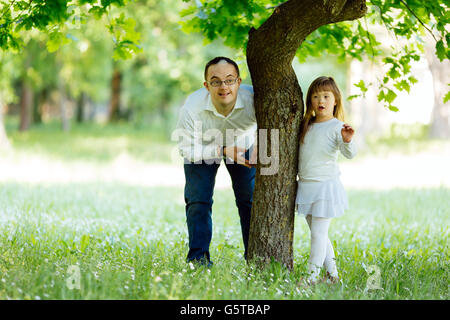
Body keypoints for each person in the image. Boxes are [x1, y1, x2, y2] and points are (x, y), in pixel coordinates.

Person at [175, 57, 257, 267]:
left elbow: (271, 125)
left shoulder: (253, 99)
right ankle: (198, 260)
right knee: (198, 201)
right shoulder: (192, 107)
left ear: (239, 82)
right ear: (206, 85)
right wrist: (221, 150)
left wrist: (257, 148)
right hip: (202, 149)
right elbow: (186, 148)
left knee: (249, 201)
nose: (223, 87)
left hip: (241, 145)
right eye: (216, 81)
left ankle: (255, 258)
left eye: (229, 80)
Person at [295, 76, 357, 284]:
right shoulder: (307, 124)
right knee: (318, 233)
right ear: (310, 100)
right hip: (306, 186)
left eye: (326, 96)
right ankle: (333, 276)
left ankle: (311, 278)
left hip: (325, 188)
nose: (320, 100)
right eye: (315, 96)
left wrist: (348, 141)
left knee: (318, 234)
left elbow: (350, 153)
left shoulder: (337, 126)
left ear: (335, 100)